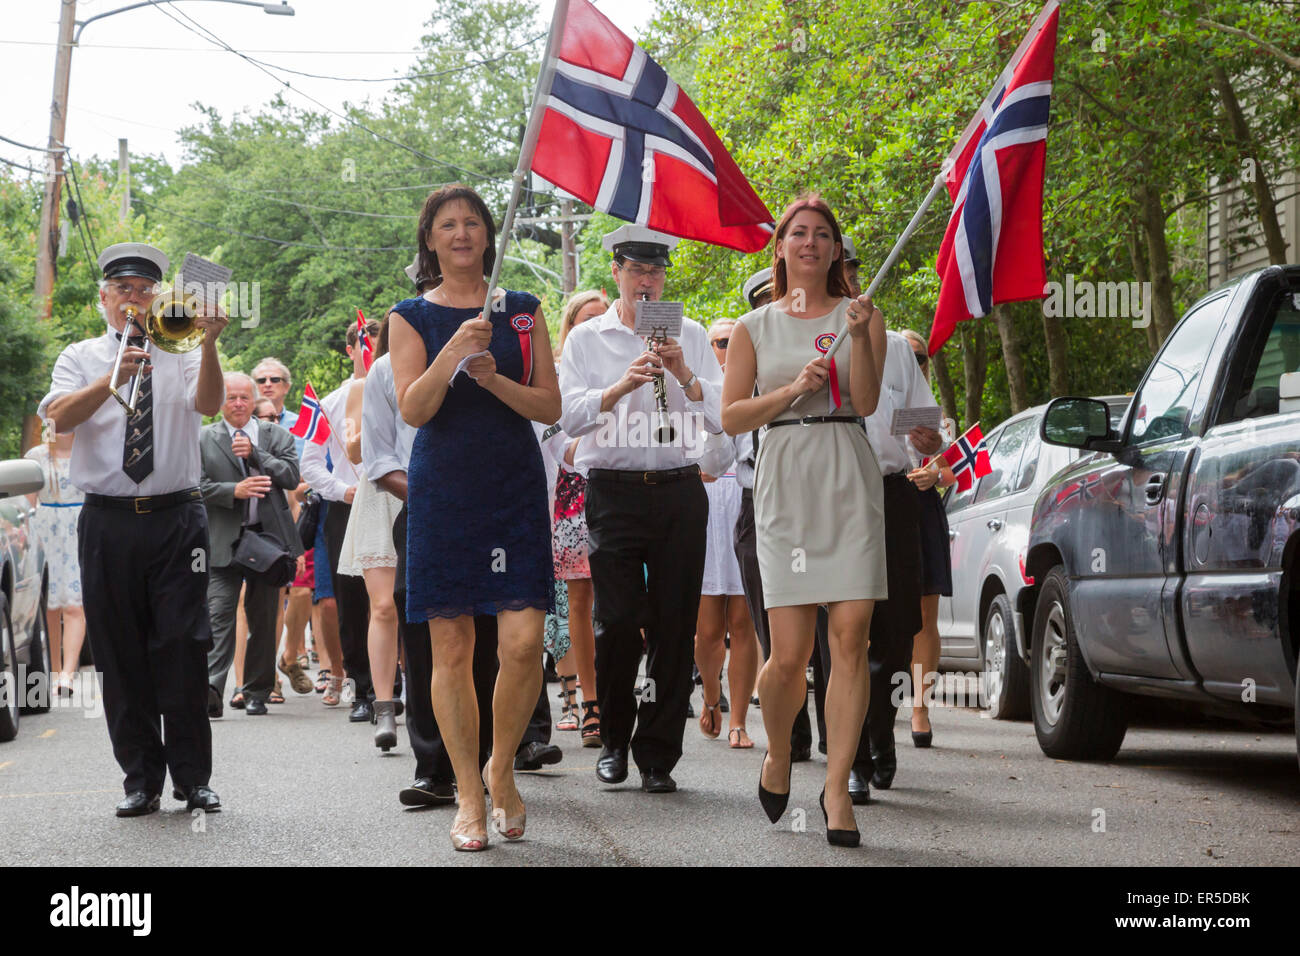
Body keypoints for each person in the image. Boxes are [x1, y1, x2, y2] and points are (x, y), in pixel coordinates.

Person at [390, 184, 559, 851]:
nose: (461, 233)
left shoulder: (522, 312)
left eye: (471, 223)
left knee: (521, 643)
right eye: (446, 224)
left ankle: (502, 766)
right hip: (444, 490)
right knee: (451, 648)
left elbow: (549, 406)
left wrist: (494, 380)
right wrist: (453, 353)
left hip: (513, 486)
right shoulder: (408, 317)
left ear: (489, 235)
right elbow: (414, 409)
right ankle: (467, 791)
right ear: (429, 240)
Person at [38, 241, 226, 816]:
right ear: (104, 299)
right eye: (123, 290)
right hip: (108, 521)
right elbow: (59, 417)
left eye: (145, 290)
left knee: (184, 646)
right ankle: (139, 779)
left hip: (176, 519)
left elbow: (211, 404)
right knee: (120, 654)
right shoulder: (81, 355)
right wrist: (112, 377)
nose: (134, 300)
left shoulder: (183, 347)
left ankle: (193, 778)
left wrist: (212, 343)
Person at [721, 196, 886, 846]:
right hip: (786, 477)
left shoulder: (860, 317)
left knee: (850, 640)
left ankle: (838, 788)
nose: (811, 243)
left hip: (848, 469)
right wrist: (792, 390)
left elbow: (868, 400)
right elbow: (732, 417)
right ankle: (779, 750)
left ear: (836, 250)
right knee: (788, 656)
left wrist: (866, 333)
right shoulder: (753, 327)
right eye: (799, 233)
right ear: (782, 247)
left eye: (823, 235)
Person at [558, 225, 723, 795]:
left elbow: (727, 413)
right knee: (619, 622)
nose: (647, 280)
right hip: (614, 490)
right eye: (636, 270)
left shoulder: (694, 335)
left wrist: (684, 373)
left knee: (676, 625)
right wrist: (619, 387)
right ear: (618, 274)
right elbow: (564, 418)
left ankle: (658, 755)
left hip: (679, 488)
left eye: (656, 271)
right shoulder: (586, 341)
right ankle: (613, 740)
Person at [840, 244, 946, 804]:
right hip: (835, 500)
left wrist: (929, 443)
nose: (852, 284)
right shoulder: (819, 340)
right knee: (845, 633)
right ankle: (854, 756)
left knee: (897, 629)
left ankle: (882, 731)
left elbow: (924, 427)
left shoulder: (899, 352)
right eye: (842, 275)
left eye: (855, 274)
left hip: (894, 494)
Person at [730, 268, 829, 761]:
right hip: (759, 501)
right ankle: (791, 736)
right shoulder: (750, 357)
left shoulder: (821, 352)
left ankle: (837, 736)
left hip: (821, 494)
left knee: (835, 629)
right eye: (771, 300)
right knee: (780, 633)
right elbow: (723, 426)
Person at [200, 372, 303, 717]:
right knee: (218, 614)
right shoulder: (203, 439)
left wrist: (257, 455)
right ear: (220, 402)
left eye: (245, 397)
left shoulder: (276, 435)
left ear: (254, 398)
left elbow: (290, 476)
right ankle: (212, 687)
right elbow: (193, 488)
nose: (239, 404)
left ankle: (257, 690)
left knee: (263, 617)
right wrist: (234, 491)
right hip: (222, 542)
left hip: (267, 542)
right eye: (231, 398)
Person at [300, 320, 377, 722]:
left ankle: (397, 683)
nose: (371, 354)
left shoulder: (399, 393)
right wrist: (342, 489)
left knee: (395, 598)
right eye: (365, 346)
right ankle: (362, 687)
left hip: (395, 501)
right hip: (347, 506)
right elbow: (309, 464)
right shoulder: (329, 402)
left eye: (379, 347)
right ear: (350, 350)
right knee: (350, 600)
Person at [336, 320, 405, 751]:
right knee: (382, 606)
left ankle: (428, 700)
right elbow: (355, 451)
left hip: (427, 489)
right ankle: (384, 706)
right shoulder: (368, 382)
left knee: (420, 605)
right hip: (380, 493)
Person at [695, 321, 759, 749]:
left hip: (744, 500)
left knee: (744, 620)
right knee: (707, 628)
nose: (727, 348)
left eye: (735, 341)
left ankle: (737, 718)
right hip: (701, 505)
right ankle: (711, 694)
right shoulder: (693, 389)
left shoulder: (757, 391)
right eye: (720, 341)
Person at [547, 289, 605, 745]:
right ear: (571, 327)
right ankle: (589, 704)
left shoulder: (632, 363)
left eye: (603, 317)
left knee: (623, 604)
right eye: (587, 318)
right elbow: (553, 440)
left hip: (623, 490)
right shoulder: (557, 373)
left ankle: (625, 695)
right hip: (573, 493)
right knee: (579, 604)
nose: (596, 325)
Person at [899, 328, 955, 747]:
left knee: (924, 615)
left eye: (919, 357)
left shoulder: (938, 417)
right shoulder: (874, 401)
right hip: (881, 504)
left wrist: (935, 472)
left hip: (923, 510)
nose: (913, 362)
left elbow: (959, 472)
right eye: (905, 355)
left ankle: (920, 707)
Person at [252, 357, 315, 697]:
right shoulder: (242, 426)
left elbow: (304, 478)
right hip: (258, 524)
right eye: (261, 379)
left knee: (303, 593)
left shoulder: (301, 424)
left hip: (299, 517)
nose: (268, 384)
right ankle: (269, 681)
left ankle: (290, 655)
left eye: (275, 378)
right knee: (270, 601)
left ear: (286, 386)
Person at [24, 425, 85, 698]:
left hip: (79, 528)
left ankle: (68, 674)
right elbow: (28, 504)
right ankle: (54, 669)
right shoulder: (36, 456)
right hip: (46, 529)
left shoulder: (88, 453)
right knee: (49, 606)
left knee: (75, 603)